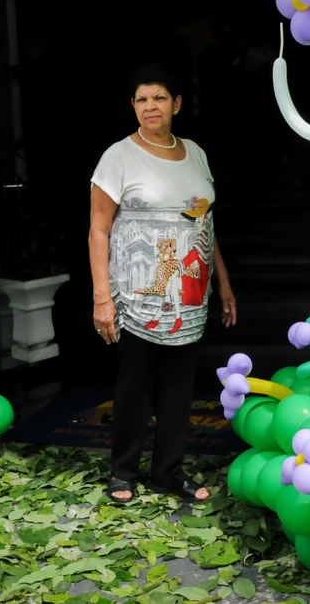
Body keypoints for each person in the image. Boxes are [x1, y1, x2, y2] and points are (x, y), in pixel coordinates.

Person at [88, 63, 238, 503]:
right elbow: (99, 228)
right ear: (132, 107)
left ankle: (169, 473)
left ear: (176, 103)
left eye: (158, 97)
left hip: (189, 293)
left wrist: (222, 281)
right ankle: (123, 472)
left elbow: (204, 223)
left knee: (178, 387)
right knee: (134, 382)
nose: (149, 106)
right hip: (138, 294)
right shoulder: (119, 155)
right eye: (140, 99)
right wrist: (102, 298)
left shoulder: (194, 152)